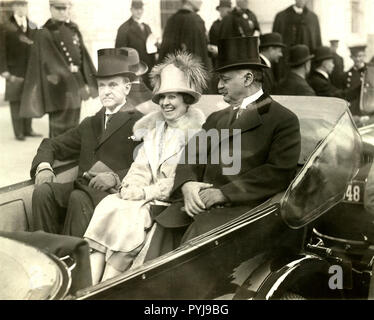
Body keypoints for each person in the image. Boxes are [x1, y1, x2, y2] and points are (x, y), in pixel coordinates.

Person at [144, 36, 301, 260]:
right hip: (199, 206)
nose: (218, 86)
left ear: (248, 78)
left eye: (225, 80)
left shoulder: (282, 119)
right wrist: (187, 184)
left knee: (186, 253)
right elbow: (191, 154)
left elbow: (278, 173)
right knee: (160, 228)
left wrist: (223, 193)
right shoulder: (217, 118)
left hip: (246, 213)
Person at [84, 52, 207, 284]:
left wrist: (143, 193)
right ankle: (89, 283)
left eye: (172, 97)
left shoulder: (195, 133)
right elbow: (140, 165)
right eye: (162, 98)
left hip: (167, 201)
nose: (165, 103)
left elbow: (174, 180)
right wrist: (131, 185)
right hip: (143, 196)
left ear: (186, 99)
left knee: (131, 216)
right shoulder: (155, 128)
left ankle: (106, 285)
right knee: (109, 204)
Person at [30, 48, 144, 238]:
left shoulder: (139, 123)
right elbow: (51, 144)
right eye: (101, 86)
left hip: (115, 195)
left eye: (113, 85)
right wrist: (43, 166)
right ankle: (47, 253)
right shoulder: (90, 123)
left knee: (78, 197)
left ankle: (74, 260)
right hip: (83, 189)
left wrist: (116, 177)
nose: (106, 91)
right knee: (43, 193)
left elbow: (150, 166)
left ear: (127, 88)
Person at [19, 0, 98, 138]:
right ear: (51, 9)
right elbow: (49, 62)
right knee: (59, 127)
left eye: (65, 8)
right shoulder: (44, 32)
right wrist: (68, 72)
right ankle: (57, 157)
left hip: (76, 85)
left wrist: (89, 80)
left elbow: (83, 56)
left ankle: (70, 156)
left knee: (73, 124)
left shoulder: (73, 28)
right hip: (58, 87)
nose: (62, 12)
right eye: (58, 8)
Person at [0, 0, 41, 141]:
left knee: (29, 98)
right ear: (13, 7)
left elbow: (37, 49)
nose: (21, 8)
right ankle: (19, 132)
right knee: (16, 100)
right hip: (13, 71)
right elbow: (1, 50)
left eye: (24, 5)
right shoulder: (5, 26)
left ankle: (28, 129)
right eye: (18, 5)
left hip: (30, 70)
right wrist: (3, 70)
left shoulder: (33, 26)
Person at [272, 0, 322, 81]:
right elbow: (275, 43)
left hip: (306, 66)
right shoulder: (282, 16)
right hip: (286, 65)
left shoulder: (313, 18)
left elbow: (317, 43)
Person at [115, 0, 156, 89]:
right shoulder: (124, 28)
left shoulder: (146, 27)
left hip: (148, 71)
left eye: (141, 9)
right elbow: (120, 54)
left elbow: (151, 47)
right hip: (135, 73)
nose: (139, 11)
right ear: (131, 10)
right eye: (136, 9)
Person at [158, 0, 210, 71]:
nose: (201, 2)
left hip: (172, 73)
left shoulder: (171, 20)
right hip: (192, 73)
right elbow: (201, 54)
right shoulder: (196, 21)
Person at [343, 45, 367, 117]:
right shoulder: (347, 74)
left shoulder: (370, 72)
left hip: (368, 107)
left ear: (364, 56)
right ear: (351, 57)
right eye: (355, 56)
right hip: (354, 110)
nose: (358, 59)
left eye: (360, 56)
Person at [208, 0, 232, 68]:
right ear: (220, 9)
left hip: (232, 58)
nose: (227, 11)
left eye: (229, 9)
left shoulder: (233, 23)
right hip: (218, 60)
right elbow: (211, 43)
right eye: (225, 8)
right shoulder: (215, 25)